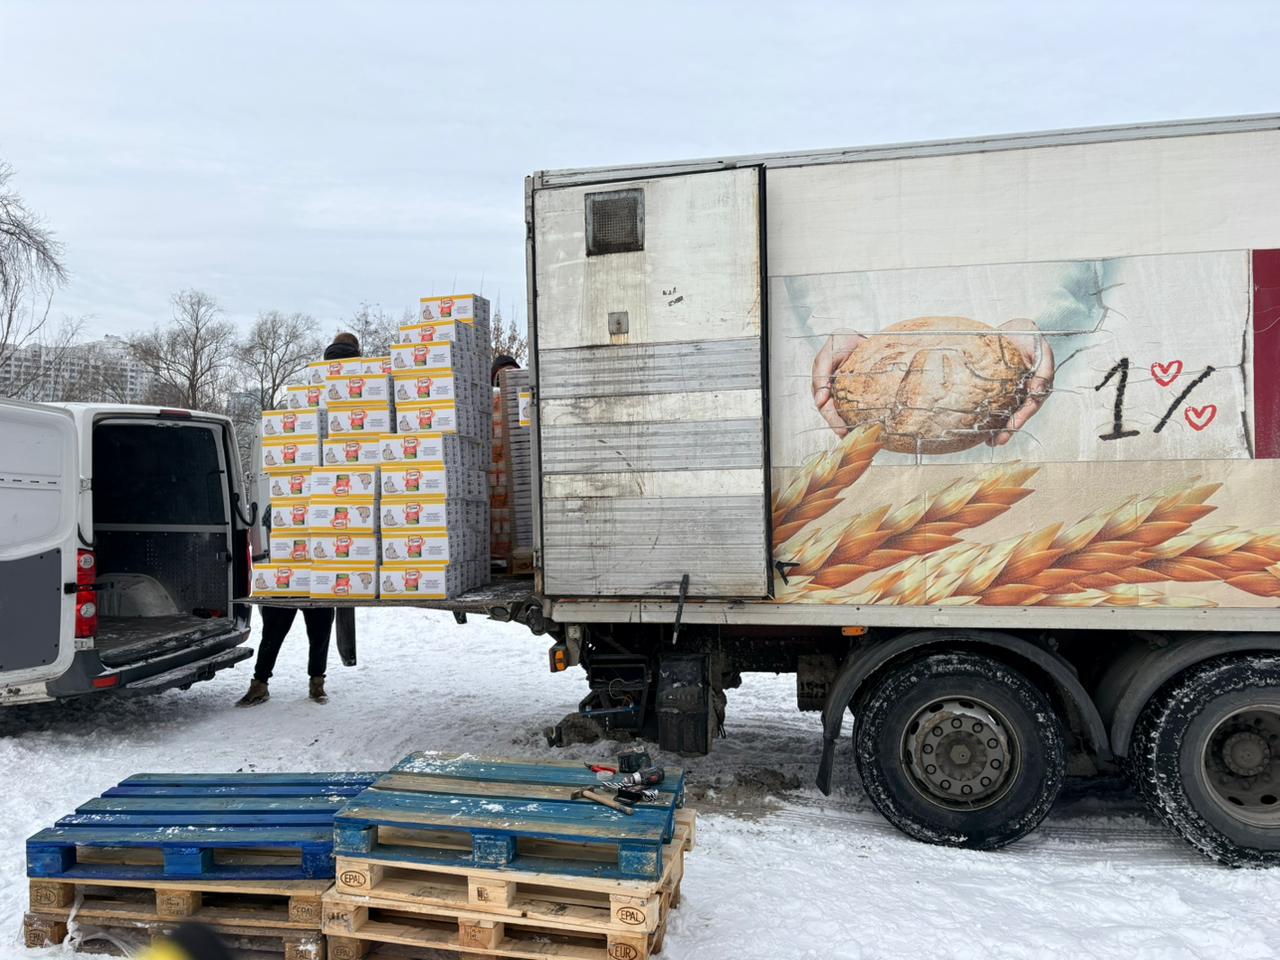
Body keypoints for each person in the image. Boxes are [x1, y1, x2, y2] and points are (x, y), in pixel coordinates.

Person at [236, 331, 362, 707]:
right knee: (318, 619)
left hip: (287, 538)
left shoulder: (307, 400)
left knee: (278, 620)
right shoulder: (349, 401)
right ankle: (316, 681)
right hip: (322, 539)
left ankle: (262, 682)